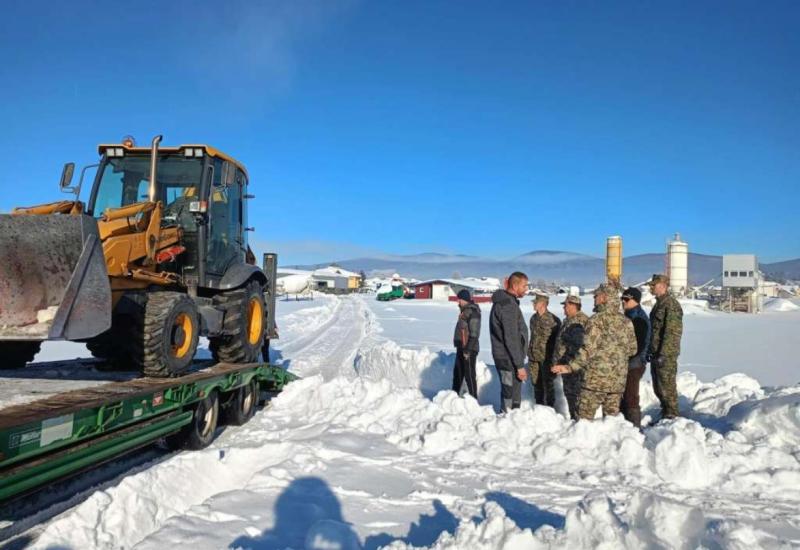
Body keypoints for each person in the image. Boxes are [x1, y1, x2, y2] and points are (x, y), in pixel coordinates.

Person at [552, 284, 636, 420]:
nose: (594, 298)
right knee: (611, 423)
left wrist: (569, 367)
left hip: (594, 383)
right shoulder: (626, 321)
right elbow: (632, 349)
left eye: (596, 296)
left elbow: (587, 350)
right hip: (617, 383)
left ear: (603, 297)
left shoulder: (596, 321)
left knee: (583, 423)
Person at [490, 272, 530, 413]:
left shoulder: (509, 302)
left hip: (511, 357)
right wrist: (519, 366)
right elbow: (511, 337)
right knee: (509, 392)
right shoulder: (507, 306)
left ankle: (514, 418)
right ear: (515, 285)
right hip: (508, 358)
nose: (526, 289)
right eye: (524, 285)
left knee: (513, 391)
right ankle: (506, 420)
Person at [647, 273, 684, 420]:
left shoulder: (670, 305)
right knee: (658, 387)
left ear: (663, 286)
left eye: (653, 285)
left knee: (667, 387)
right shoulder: (659, 304)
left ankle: (672, 416)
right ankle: (665, 414)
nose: (651, 288)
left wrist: (664, 354)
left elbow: (672, 332)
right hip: (657, 353)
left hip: (665, 355)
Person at [551, 294, 589, 419]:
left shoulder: (580, 322)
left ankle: (579, 424)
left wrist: (568, 364)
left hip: (574, 369)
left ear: (573, 306)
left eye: (566, 305)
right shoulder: (568, 320)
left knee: (576, 398)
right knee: (570, 397)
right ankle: (574, 421)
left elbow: (581, 348)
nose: (564, 308)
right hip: (566, 367)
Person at [620, 287, 651, 427]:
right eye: (622, 298)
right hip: (627, 363)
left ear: (635, 300)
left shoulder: (638, 318)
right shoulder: (628, 315)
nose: (623, 301)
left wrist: (626, 357)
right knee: (624, 395)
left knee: (631, 396)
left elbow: (638, 345)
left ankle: (635, 427)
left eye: (626, 299)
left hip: (635, 364)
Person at [527, 293, 561, 408]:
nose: (533, 304)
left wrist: (555, 360)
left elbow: (558, 342)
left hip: (547, 358)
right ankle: (539, 406)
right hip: (533, 357)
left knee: (548, 385)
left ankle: (551, 409)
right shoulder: (533, 318)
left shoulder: (554, 320)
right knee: (536, 384)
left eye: (535, 302)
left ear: (542, 304)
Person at [452, 289, 481, 399]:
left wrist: (468, 349)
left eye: (459, 299)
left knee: (469, 375)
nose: (458, 302)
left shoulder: (473, 312)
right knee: (458, 374)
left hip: (469, 349)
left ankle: (473, 400)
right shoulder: (464, 311)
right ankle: (453, 397)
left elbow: (474, 333)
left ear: (464, 300)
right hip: (461, 347)